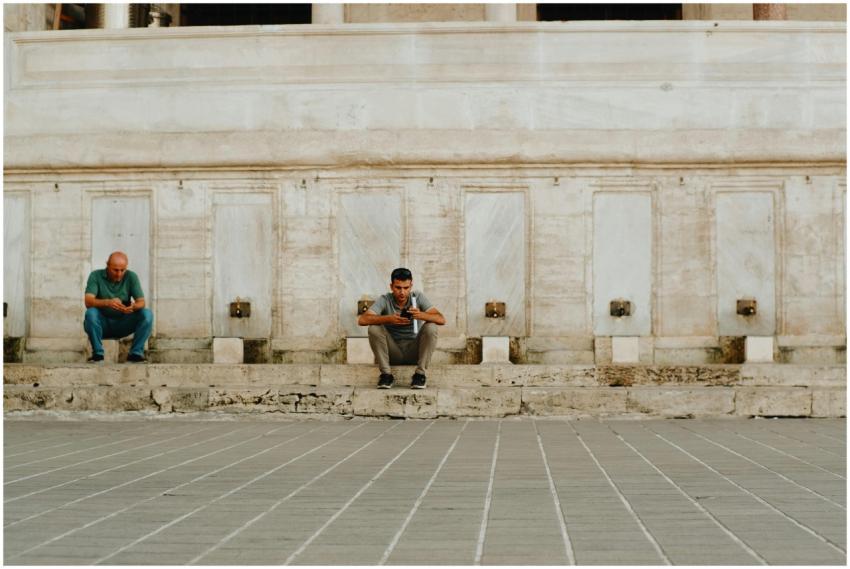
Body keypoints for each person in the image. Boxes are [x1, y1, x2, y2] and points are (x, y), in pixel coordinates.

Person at [357, 267, 445, 389]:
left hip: (414, 352)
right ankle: (386, 375)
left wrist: (421, 315)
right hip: (393, 352)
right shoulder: (385, 299)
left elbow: (441, 319)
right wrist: (389, 319)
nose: (402, 292)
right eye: (398, 288)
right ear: (391, 286)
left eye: (406, 288)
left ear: (411, 286)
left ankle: (420, 375)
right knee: (373, 328)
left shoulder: (417, 297)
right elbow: (362, 320)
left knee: (431, 326)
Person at [83, 251, 153, 363]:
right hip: (102, 324)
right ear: (107, 265)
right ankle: (97, 355)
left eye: (122, 270)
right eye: (115, 270)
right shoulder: (95, 275)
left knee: (147, 314)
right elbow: (88, 301)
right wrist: (108, 302)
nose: (119, 274)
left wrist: (133, 307)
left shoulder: (131, 276)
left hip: (123, 323)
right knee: (91, 313)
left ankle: (135, 354)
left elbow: (141, 302)